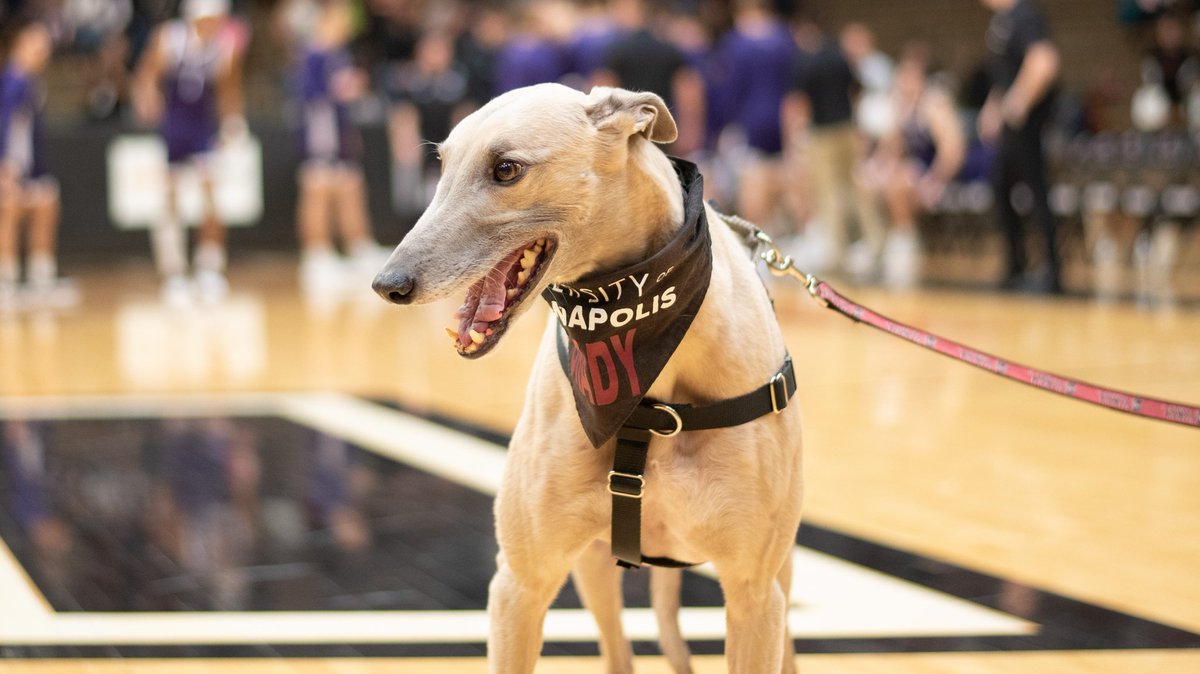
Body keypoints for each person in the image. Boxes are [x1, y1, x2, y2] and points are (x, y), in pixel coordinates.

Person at [132, 0, 249, 305]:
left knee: (211, 197)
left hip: (203, 130)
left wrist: (233, 123)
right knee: (171, 198)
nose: (216, 25)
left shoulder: (225, 48)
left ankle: (210, 267)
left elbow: (229, 89)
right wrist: (147, 98)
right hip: (174, 129)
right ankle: (173, 272)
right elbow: (146, 76)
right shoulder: (169, 39)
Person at [294, 0, 386, 294]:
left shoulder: (340, 53)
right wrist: (342, 89)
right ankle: (316, 255)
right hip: (321, 133)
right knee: (318, 185)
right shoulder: (312, 53)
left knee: (350, 185)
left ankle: (358, 247)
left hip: (341, 131)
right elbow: (312, 98)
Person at [782, 18, 886, 276]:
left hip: (823, 135)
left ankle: (837, 252)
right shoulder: (840, 58)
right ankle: (876, 244)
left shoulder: (807, 62)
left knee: (829, 193)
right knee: (856, 187)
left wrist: (795, 137)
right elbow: (857, 90)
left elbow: (800, 102)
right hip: (848, 130)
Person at [863, 45, 966, 288]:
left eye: (910, 76)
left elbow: (953, 151)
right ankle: (876, 242)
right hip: (913, 172)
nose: (905, 82)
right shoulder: (899, 108)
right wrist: (877, 167)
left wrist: (936, 180)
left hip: (938, 176)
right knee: (869, 180)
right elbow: (893, 148)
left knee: (900, 182)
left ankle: (904, 240)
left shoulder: (934, 104)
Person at [978, 0, 1061, 294]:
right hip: (1010, 124)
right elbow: (1005, 72)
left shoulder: (1024, 15)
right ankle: (1015, 266)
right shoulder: (1002, 21)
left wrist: (1020, 100)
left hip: (1026, 124)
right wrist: (993, 106)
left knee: (1036, 191)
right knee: (1001, 187)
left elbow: (1044, 60)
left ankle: (1052, 272)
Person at [0, 21, 62, 311]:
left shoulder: (30, 82)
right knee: (9, 207)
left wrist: (31, 174)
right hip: (8, 171)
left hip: (25, 171)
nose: (43, 51)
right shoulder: (13, 82)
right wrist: (6, 169)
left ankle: (41, 278)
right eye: (36, 44)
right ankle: (6, 281)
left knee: (47, 199)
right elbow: (7, 129)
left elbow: (27, 136)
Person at [593, 0, 703, 155]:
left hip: (627, 137)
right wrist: (690, 131)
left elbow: (602, 93)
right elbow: (688, 91)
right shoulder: (669, 49)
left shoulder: (615, 51)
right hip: (661, 133)